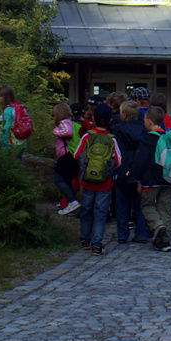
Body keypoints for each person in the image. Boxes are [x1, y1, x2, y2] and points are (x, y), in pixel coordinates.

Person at [73, 103, 122, 255]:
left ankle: (85, 239)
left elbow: (76, 155)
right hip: (104, 184)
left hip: (87, 181)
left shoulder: (88, 136)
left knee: (87, 210)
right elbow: (118, 161)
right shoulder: (111, 140)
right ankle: (97, 243)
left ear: (93, 118)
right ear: (110, 121)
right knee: (100, 213)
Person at [134, 106, 171, 252]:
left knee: (147, 206)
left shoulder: (147, 139)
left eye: (145, 120)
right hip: (169, 179)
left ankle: (158, 226)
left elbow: (141, 161)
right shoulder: (169, 137)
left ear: (150, 122)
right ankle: (164, 242)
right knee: (165, 207)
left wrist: (137, 179)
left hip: (150, 180)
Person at [109, 100, 150, 244]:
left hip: (122, 170)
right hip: (140, 171)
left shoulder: (117, 130)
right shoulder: (144, 130)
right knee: (140, 206)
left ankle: (122, 233)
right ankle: (141, 233)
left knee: (122, 205)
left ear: (124, 115)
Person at [51, 102, 81, 215]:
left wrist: (55, 131)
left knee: (58, 179)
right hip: (71, 157)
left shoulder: (64, 123)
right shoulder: (71, 122)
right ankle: (70, 203)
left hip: (65, 156)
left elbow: (67, 132)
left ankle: (72, 202)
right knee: (67, 181)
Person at [0, 85, 26, 163]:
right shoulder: (18, 107)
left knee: (11, 166)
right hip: (21, 142)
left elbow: (6, 128)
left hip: (11, 144)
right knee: (18, 164)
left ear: (3, 97)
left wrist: (1, 141)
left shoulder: (8, 110)